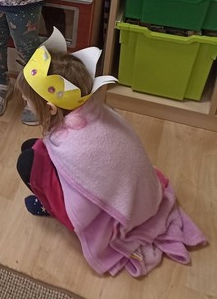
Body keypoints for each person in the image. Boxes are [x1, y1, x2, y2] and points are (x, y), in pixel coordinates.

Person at [15, 28, 207, 277]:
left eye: (26, 100)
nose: (25, 102)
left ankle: (49, 207)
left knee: (27, 162)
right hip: (134, 191)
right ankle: (48, 196)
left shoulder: (72, 142)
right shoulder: (92, 111)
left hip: (102, 212)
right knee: (32, 148)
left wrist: (59, 202)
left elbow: (83, 198)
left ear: (51, 108)